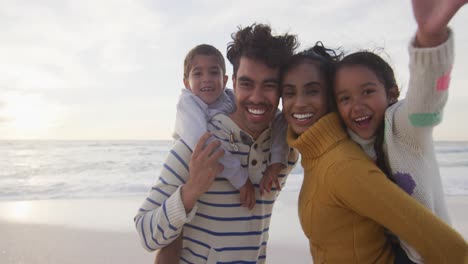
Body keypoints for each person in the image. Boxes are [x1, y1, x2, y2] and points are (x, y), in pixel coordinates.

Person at [282, 39, 467, 263]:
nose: (299, 103)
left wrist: (430, 40)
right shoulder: (339, 146)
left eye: (312, 91)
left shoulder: (395, 131)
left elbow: (426, 99)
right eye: (289, 93)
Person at [134, 23, 299, 263]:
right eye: (246, 84)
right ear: (232, 81)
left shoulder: (285, 152)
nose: (256, 97)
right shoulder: (197, 148)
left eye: (269, 85)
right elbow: (146, 234)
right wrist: (191, 191)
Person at [333, 0, 468, 262]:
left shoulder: (405, 127)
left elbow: (426, 96)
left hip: (432, 255)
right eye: (344, 98)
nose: (357, 106)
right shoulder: (348, 144)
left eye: (367, 92)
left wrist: (430, 39)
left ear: (392, 93)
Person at [174, 44, 289, 210]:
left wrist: (277, 160)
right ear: (186, 83)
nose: (206, 78)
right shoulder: (188, 104)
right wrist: (241, 179)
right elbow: (205, 145)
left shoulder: (228, 97)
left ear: (225, 80)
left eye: (214, 72)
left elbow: (278, 117)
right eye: (198, 73)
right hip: (189, 168)